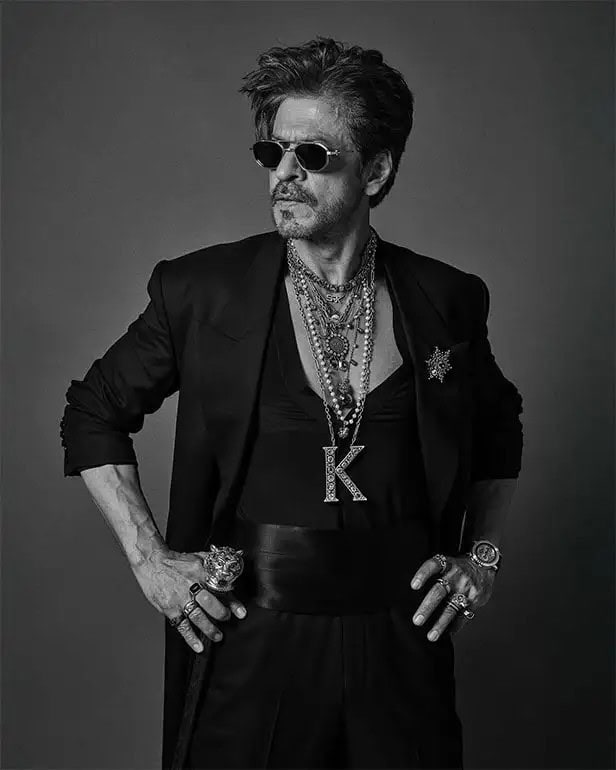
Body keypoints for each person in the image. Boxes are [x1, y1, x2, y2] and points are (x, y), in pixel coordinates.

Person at [60, 37, 523, 770]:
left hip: (403, 646)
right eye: (271, 153)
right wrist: (150, 558)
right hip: (252, 639)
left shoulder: (448, 300)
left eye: (312, 155)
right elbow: (93, 411)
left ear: (376, 171)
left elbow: (499, 432)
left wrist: (482, 556)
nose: (283, 173)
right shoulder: (202, 293)